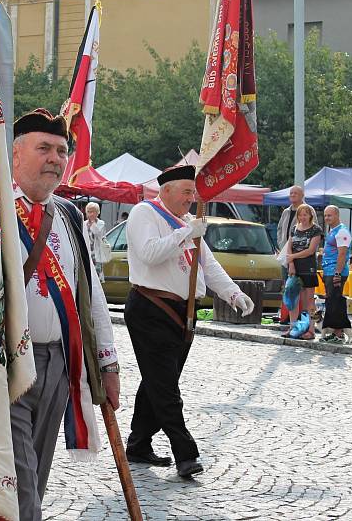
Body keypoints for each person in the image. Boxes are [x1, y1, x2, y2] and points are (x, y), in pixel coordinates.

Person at [10, 108, 120, 521]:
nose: (56, 158)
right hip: (6, 363)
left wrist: (107, 365)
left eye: (61, 150)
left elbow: (91, 297)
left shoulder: (71, 216)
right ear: (16, 154)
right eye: (44, 148)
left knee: (35, 472)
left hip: (59, 362)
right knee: (20, 478)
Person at [124, 164, 255, 479]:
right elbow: (149, 254)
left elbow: (208, 266)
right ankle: (186, 452)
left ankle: (139, 443)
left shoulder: (186, 222)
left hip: (180, 313)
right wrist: (186, 234)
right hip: (151, 308)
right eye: (186, 192)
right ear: (166, 191)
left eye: (193, 192)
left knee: (158, 381)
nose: (191, 198)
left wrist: (234, 294)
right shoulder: (145, 214)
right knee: (165, 385)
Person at [284, 203, 322, 339]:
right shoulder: (294, 229)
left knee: (309, 300)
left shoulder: (316, 230)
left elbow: (311, 250)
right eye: (300, 214)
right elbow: (289, 246)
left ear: (310, 215)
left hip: (308, 268)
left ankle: (310, 329)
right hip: (295, 268)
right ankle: (293, 327)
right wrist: (291, 263)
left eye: (305, 214)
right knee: (293, 298)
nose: (302, 217)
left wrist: (292, 256)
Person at [320, 205, 352, 343]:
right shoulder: (332, 230)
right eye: (325, 215)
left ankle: (339, 334)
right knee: (332, 301)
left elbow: (342, 254)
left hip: (335, 271)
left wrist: (337, 273)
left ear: (337, 215)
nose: (327, 218)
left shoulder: (342, 231)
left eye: (330, 215)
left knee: (336, 302)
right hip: (329, 270)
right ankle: (335, 332)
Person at [84, 201, 108, 282]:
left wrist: (93, 223)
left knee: (97, 277)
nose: (90, 214)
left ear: (97, 213)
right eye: (89, 211)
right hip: (87, 253)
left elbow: (98, 233)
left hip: (97, 254)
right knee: (88, 277)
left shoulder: (101, 223)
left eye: (93, 211)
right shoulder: (84, 224)